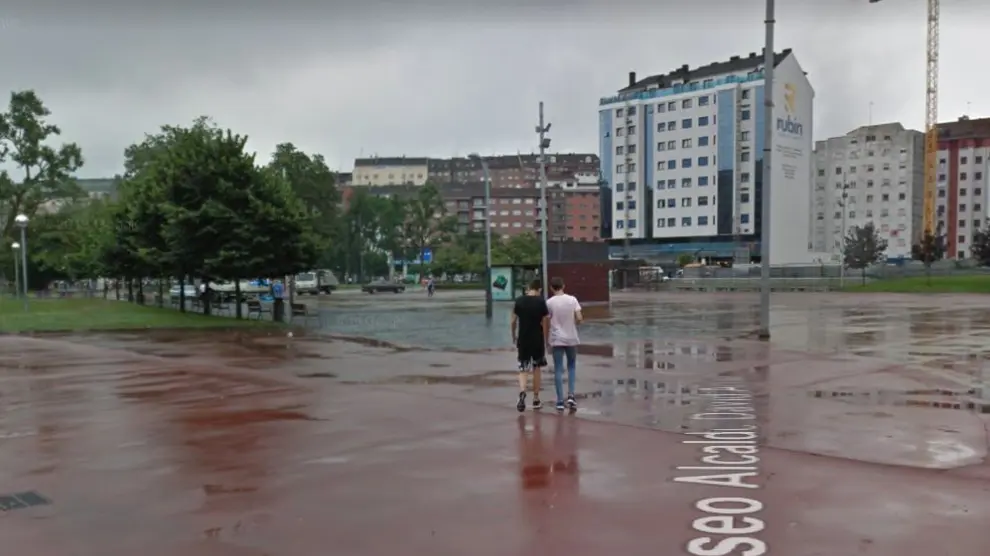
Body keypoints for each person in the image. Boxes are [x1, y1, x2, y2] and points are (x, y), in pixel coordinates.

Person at [511, 278, 550, 411]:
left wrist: (513, 335)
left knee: (523, 367)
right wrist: (546, 338)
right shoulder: (541, 302)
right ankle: (536, 398)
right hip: (537, 338)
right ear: (539, 289)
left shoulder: (519, 301)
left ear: (528, 288)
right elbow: (545, 321)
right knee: (536, 368)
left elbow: (513, 321)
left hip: (523, 338)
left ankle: (522, 392)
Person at [546, 277, 583, 411]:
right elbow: (579, 318)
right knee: (571, 366)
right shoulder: (572, 300)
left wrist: (547, 339)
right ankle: (571, 396)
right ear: (563, 286)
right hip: (571, 338)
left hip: (556, 339)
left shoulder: (549, 303)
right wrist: (574, 324)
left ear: (551, 288)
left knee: (558, 369)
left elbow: (546, 320)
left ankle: (560, 401)